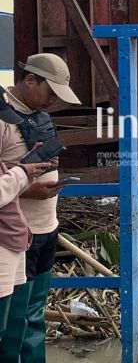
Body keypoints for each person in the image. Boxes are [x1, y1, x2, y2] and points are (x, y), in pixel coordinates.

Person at [0, 53, 81, 362]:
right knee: (14, 323)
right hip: (18, 238)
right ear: (30, 79)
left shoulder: (41, 117)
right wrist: (30, 188)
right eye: (50, 92)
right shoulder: (3, 119)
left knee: (35, 317)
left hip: (47, 228)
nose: (52, 102)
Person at [0, 91, 51, 344]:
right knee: (13, 325)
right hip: (9, 240)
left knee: (29, 315)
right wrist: (23, 175)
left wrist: (28, 171)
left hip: (22, 236)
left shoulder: (41, 117)